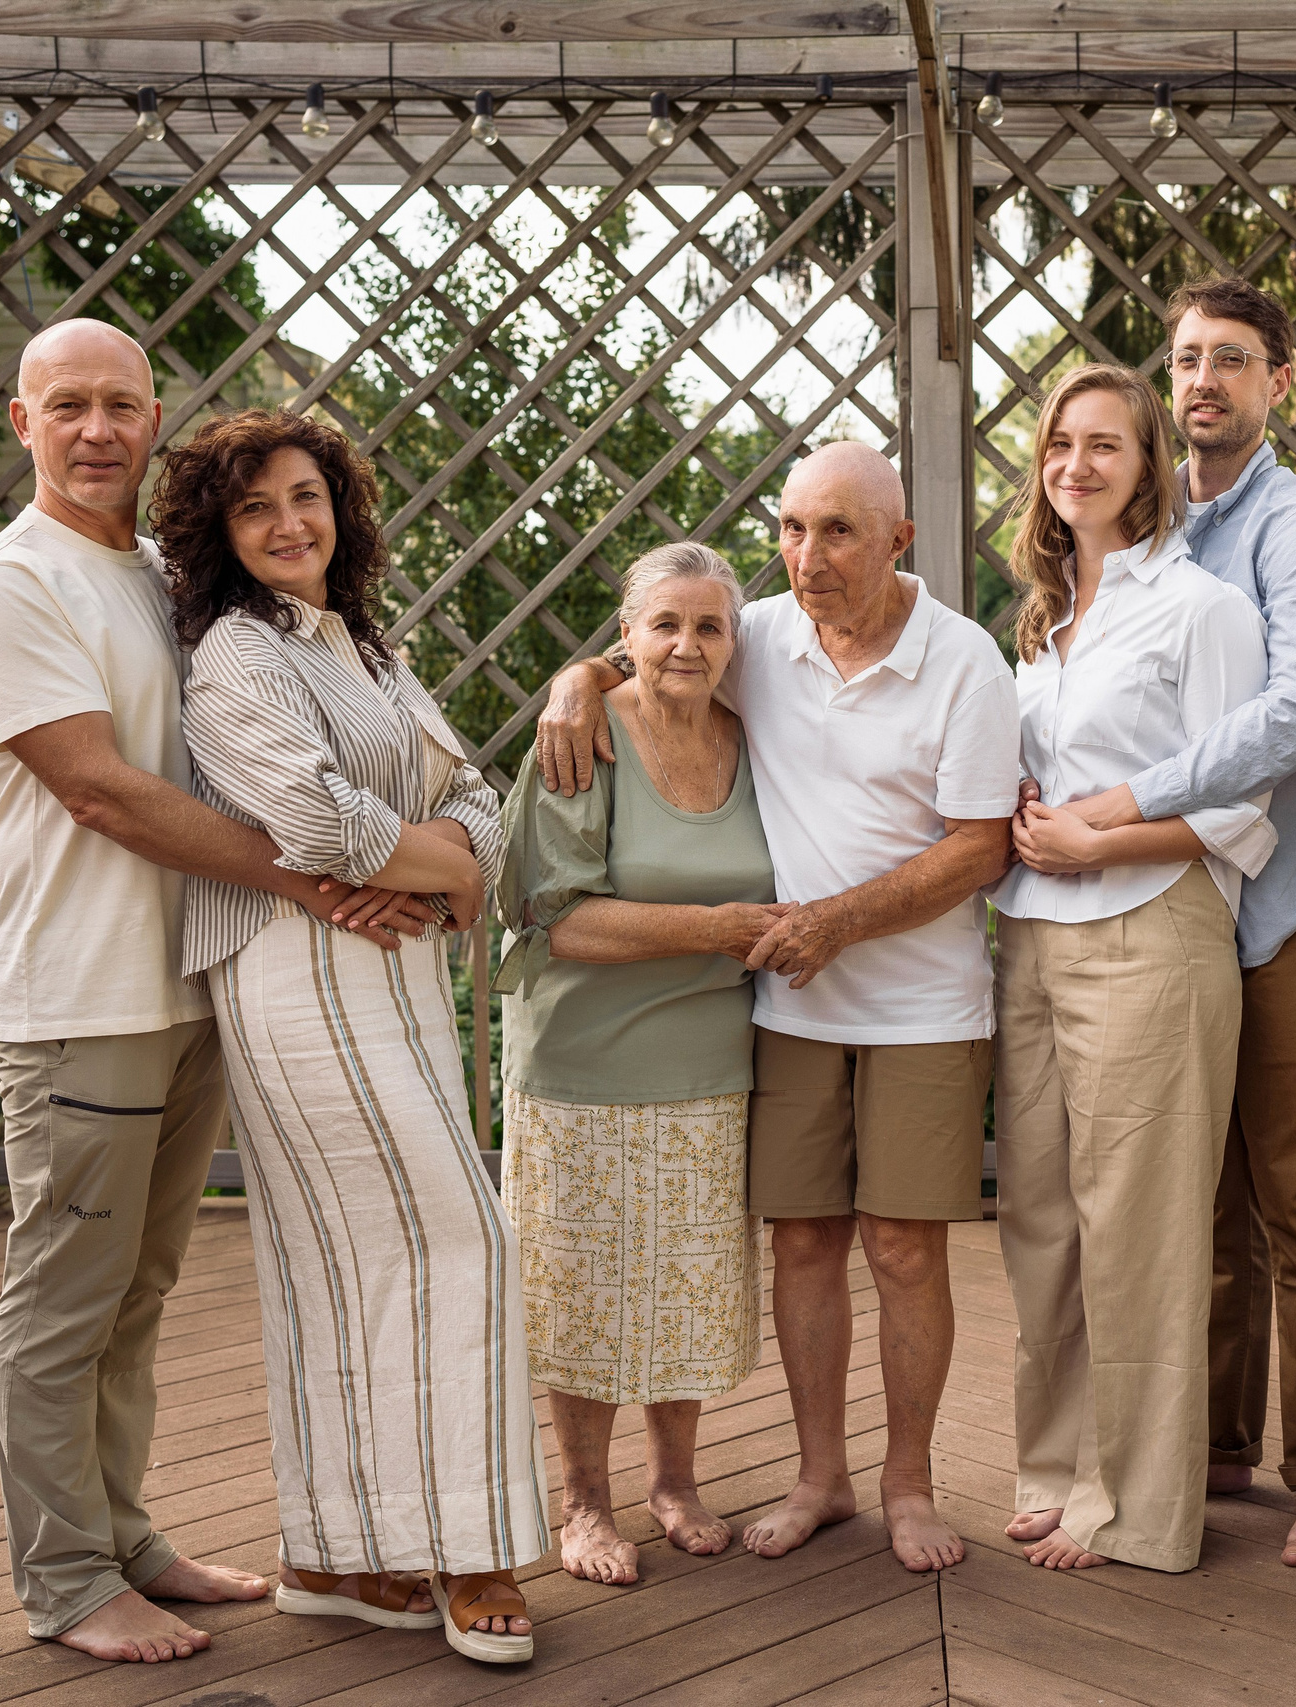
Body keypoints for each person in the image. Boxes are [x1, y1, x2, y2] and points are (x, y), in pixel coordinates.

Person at [0, 321, 428, 1664]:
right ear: (23, 422)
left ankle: (126, 1535)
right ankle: (64, 1576)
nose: (97, 429)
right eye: (68, 406)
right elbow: (102, 787)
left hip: (190, 985)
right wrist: (313, 876)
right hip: (80, 995)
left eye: (120, 404)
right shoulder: (10, 583)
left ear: (154, 421)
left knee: (139, 1288)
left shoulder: (167, 575)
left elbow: (291, 722)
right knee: (62, 1299)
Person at [532, 442, 1019, 1574]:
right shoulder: (759, 636)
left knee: (902, 1251)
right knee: (803, 1242)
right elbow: (658, 650)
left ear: (899, 541)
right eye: (792, 529)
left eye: (838, 531)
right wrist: (577, 679)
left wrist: (838, 921)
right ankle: (821, 1478)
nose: (808, 557)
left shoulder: (966, 662)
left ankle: (908, 1483)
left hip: (921, 1008)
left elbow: (979, 848)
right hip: (789, 1011)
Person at [155, 409, 543, 1664]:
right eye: (254, 506)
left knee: (347, 1259)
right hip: (300, 969)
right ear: (220, 532)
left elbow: (477, 796)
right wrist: (443, 871)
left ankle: (336, 1553)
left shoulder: (366, 648)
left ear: (341, 509)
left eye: (305, 496)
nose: (286, 523)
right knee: (462, 1235)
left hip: (396, 974)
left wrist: (444, 871)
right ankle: (472, 1548)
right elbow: (312, 827)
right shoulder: (235, 655)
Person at [1049, 276, 1296, 1570]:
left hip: (1286, 904)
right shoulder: (1153, 534)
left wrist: (1123, 802)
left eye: (1231, 360)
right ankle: (1218, 1442)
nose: (1203, 382)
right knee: (1203, 1202)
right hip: (1171, 909)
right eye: (1185, 359)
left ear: (1279, 381)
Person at [991, 364, 1273, 1573]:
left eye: (1106, 445)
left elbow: (1242, 802)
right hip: (1032, 936)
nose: (1078, 465)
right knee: (1043, 1222)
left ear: (1152, 466)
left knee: (1142, 1230)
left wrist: (1099, 834)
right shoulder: (1041, 618)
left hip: (1150, 934)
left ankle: (1141, 1506)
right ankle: (1054, 1469)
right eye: (1061, 444)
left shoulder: (1202, 608)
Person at [496, 543, 787, 1587]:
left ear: (732, 645)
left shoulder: (755, 740)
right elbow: (558, 921)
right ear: (625, 636)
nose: (686, 644)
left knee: (684, 1285)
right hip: (582, 1059)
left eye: (709, 627)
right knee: (580, 1292)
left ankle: (675, 1485)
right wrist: (718, 926)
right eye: (664, 623)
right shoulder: (583, 739)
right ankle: (584, 1504)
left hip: (710, 1058)